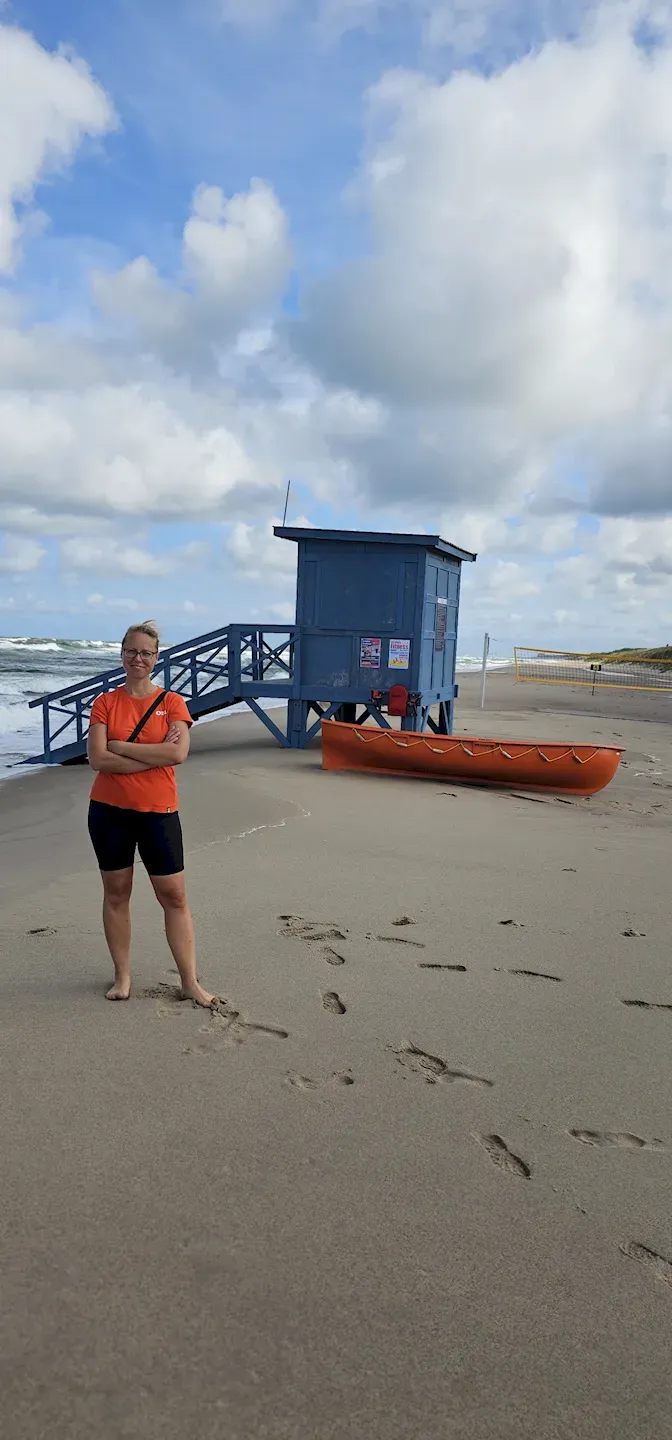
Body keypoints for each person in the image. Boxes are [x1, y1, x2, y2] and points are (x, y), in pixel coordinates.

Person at [86, 620, 215, 1006]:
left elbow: (177, 753)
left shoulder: (172, 703)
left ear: (156, 658)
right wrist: (152, 756)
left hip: (159, 812)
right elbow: (97, 759)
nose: (137, 658)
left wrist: (121, 746)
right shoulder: (105, 703)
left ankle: (189, 981)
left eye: (145, 652)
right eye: (131, 651)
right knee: (116, 893)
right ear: (121, 654)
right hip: (109, 812)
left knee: (174, 896)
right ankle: (122, 976)